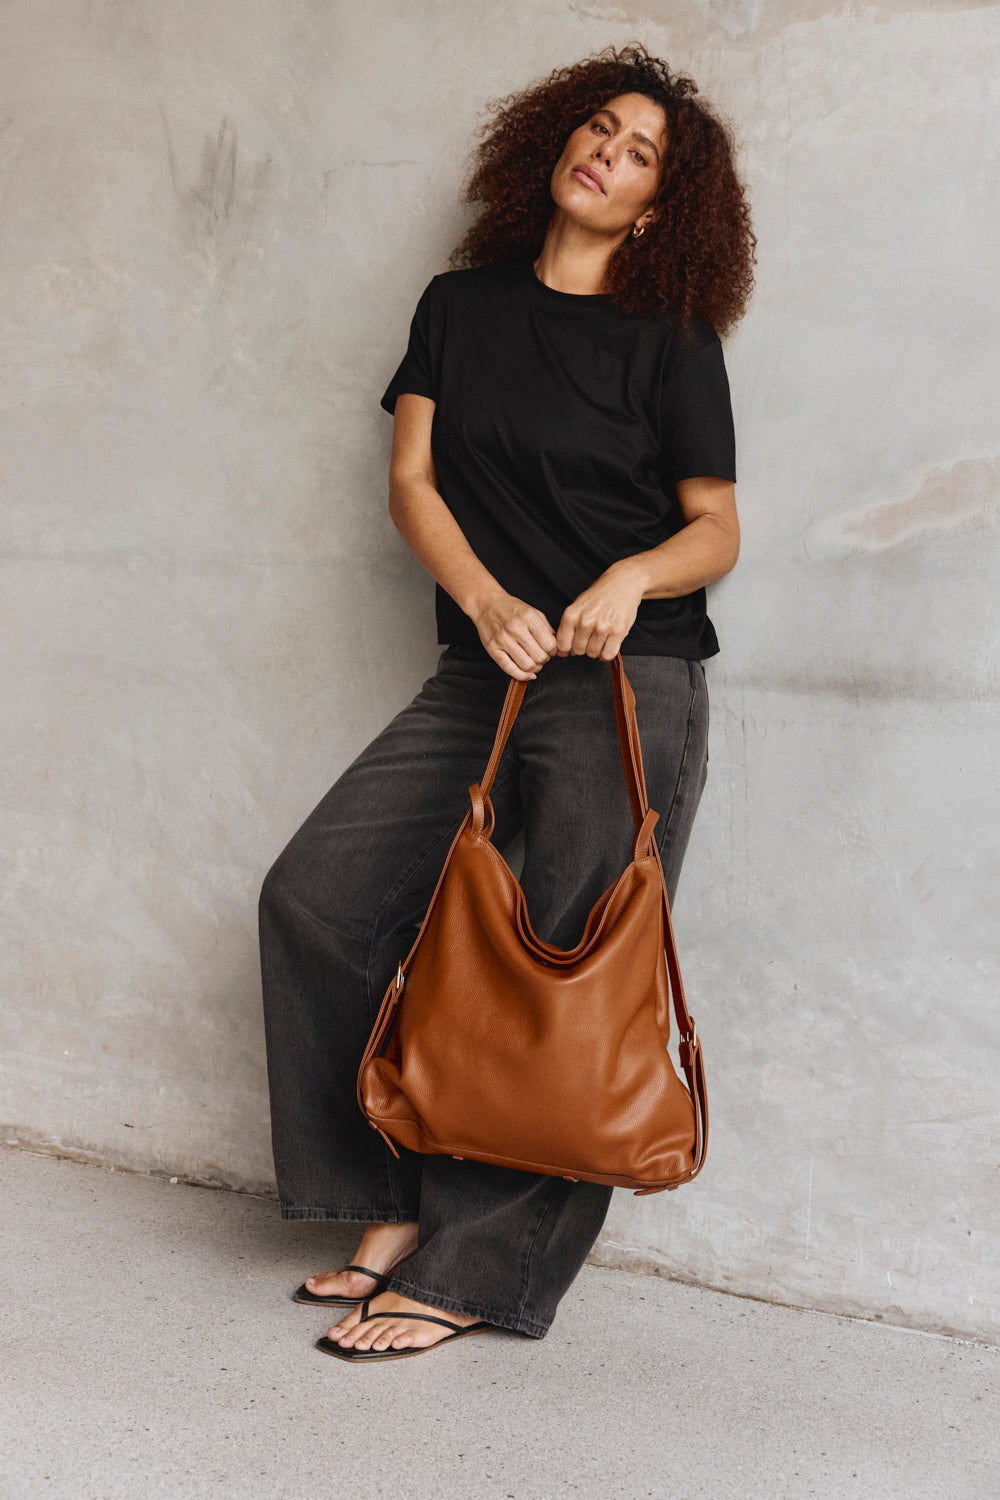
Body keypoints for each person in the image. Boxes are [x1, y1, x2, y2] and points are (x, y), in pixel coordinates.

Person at [258, 41, 755, 1362]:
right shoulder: (459, 306)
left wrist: (629, 577)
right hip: (487, 668)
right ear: (555, 140)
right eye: (600, 127)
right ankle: (389, 1196)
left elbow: (717, 528)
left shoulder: (672, 342)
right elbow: (412, 482)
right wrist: (483, 601)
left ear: (657, 208)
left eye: (640, 154)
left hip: (627, 685)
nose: (607, 153)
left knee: (560, 982)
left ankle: (477, 1274)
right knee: (317, 900)